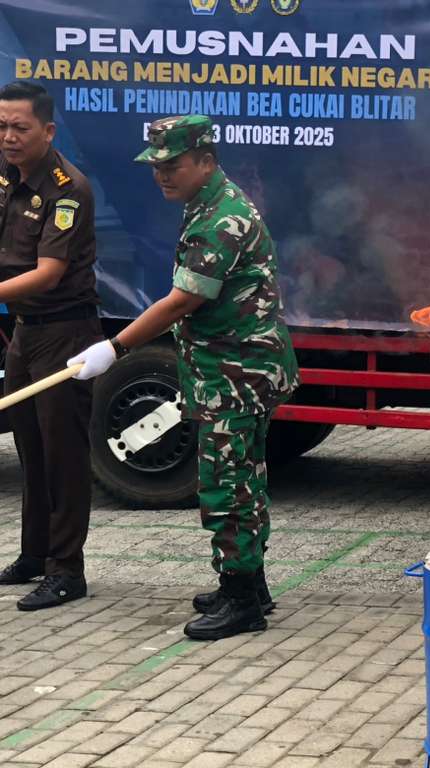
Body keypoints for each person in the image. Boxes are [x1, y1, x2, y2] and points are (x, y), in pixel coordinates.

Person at [69, 115, 298, 641]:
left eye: (172, 165)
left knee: (225, 486)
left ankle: (241, 600)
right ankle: (249, 583)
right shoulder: (210, 204)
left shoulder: (219, 219)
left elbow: (181, 301)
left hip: (235, 374)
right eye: (156, 166)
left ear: (206, 162)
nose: (161, 176)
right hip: (238, 370)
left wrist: (115, 347)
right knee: (245, 481)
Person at [0, 81, 101, 611]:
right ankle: (34, 554)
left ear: (48, 130)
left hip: (66, 333)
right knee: (29, 448)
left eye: (20, 127)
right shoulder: (5, 175)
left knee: (62, 454)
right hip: (25, 330)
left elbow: (48, 272)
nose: (9, 137)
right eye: (1, 126)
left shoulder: (67, 188)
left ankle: (67, 571)